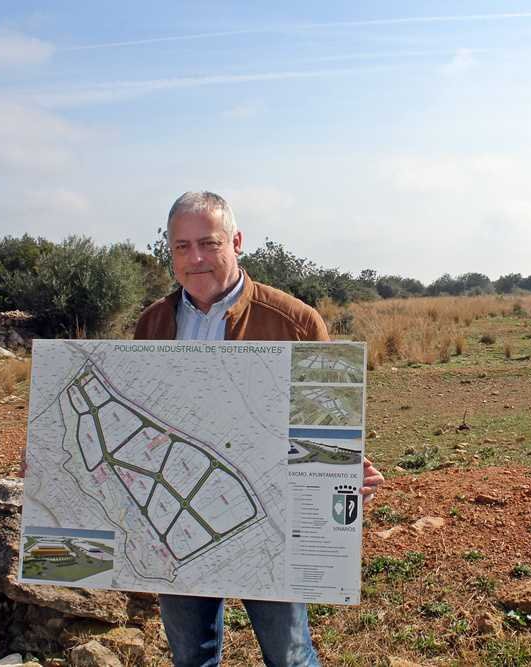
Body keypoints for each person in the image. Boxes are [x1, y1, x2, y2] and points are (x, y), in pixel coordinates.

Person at [134, 191, 384, 667]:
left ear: (236, 242)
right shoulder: (152, 324)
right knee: (190, 657)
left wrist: (341, 472)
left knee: (289, 656)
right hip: (177, 517)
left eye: (208, 243)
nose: (196, 258)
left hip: (270, 521)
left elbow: (322, 425)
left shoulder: (296, 322)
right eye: (182, 246)